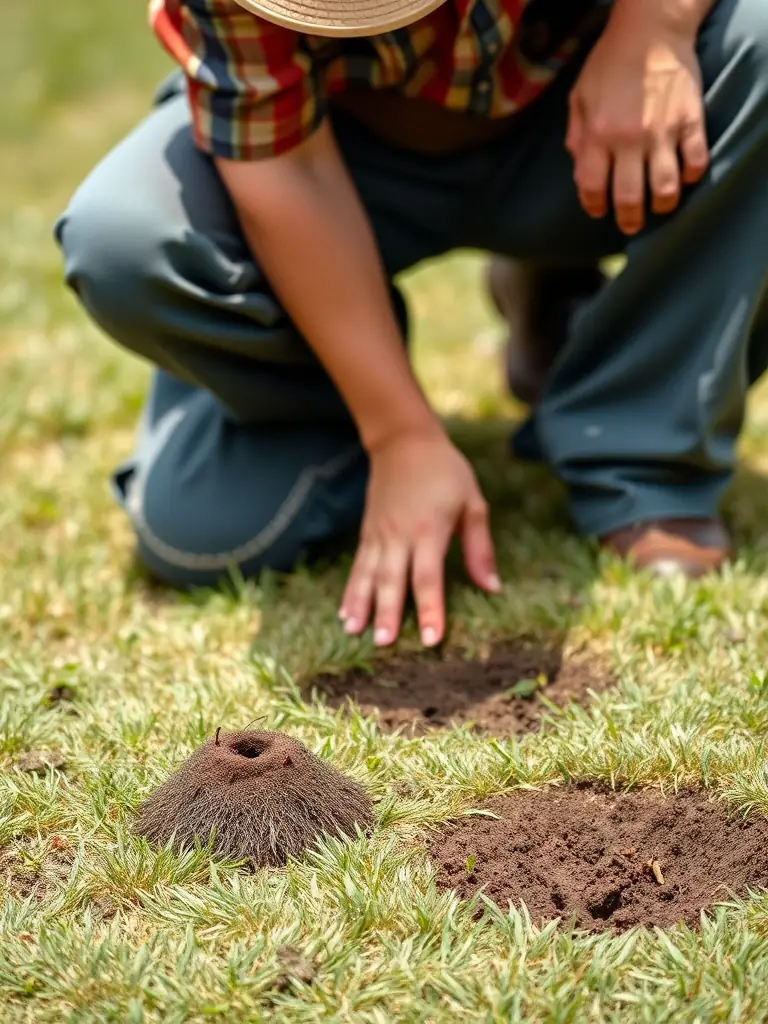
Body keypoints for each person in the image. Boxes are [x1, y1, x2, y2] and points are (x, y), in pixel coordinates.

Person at [55, 0, 767, 648]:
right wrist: (399, 434)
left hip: (580, 121)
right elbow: (288, 167)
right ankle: (351, 414)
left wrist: (655, 28)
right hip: (334, 157)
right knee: (204, 522)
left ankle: (638, 440)